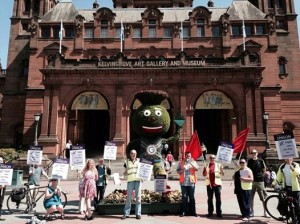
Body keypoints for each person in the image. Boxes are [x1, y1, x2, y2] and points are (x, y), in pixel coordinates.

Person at [247, 149, 269, 217]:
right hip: (252, 181)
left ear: (257, 154)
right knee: (251, 197)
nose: (254, 154)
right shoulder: (249, 161)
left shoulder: (261, 161)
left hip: (260, 181)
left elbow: (264, 169)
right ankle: (252, 211)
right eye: (252, 153)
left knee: (263, 197)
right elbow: (247, 169)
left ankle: (265, 212)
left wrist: (262, 175)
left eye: (255, 153)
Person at [176, 151, 199, 217]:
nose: (188, 157)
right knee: (184, 197)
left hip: (191, 182)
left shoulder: (193, 162)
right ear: (185, 156)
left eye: (189, 156)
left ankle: (193, 212)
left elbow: (197, 168)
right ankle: (183, 212)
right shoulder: (181, 162)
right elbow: (178, 171)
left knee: (192, 197)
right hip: (183, 183)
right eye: (187, 156)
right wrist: (183, 169)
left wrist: (191, 163)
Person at [121, 149, 142, 220]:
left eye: (135, 153)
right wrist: (121, 176)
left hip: (138, 181)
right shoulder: (126, 161)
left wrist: (144, 176)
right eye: (132, 153)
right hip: (130, 181)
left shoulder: (139, 161)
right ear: (130, 154)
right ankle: (126, 213)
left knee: (138, 198)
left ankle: (138, 214)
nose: (134, 155)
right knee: (129, 198)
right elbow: (125, 172)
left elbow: (143, 170)